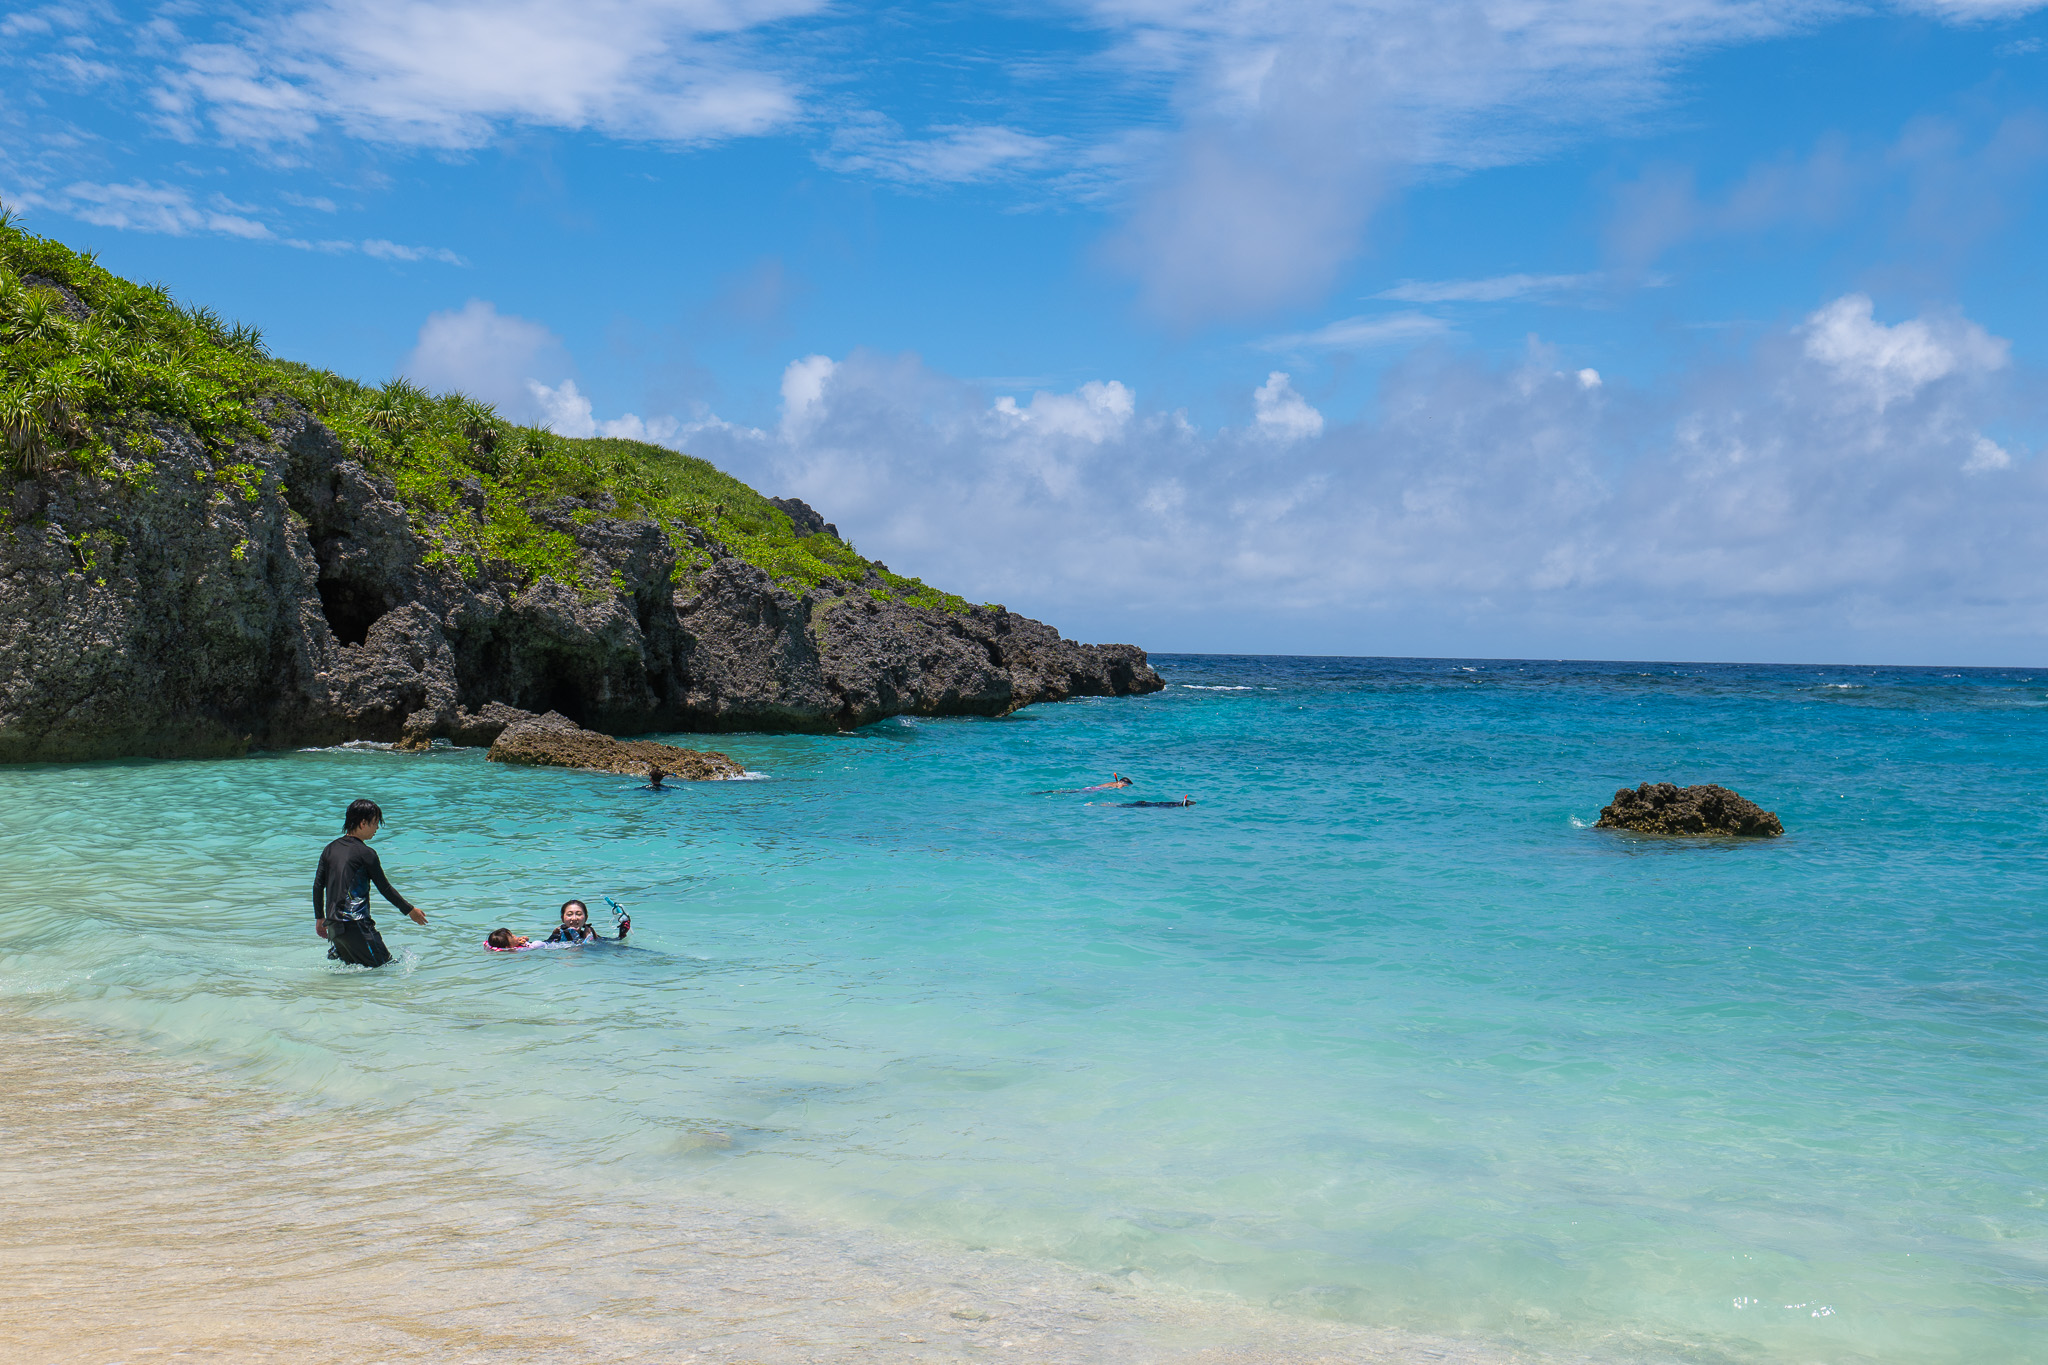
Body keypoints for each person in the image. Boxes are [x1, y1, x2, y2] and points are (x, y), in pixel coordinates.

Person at [313, 799, 427, 968]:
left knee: (352, 977)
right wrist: (410, 910)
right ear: (363, 823)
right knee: (387, 970)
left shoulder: (329, 849)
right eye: (375, 823)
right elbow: (385, 888)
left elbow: (317, 886)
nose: (377, 828)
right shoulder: (366, 854)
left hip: (334, 928)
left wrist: (319, 918)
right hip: (357, 926)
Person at [546, 898, 629, 944]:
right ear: (562, 918)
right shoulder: (557, 937)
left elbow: (615, 942)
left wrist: (622, 933)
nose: (574, 918)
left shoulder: (590, 935)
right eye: (569, 914)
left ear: (586, 918)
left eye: (578, 914)